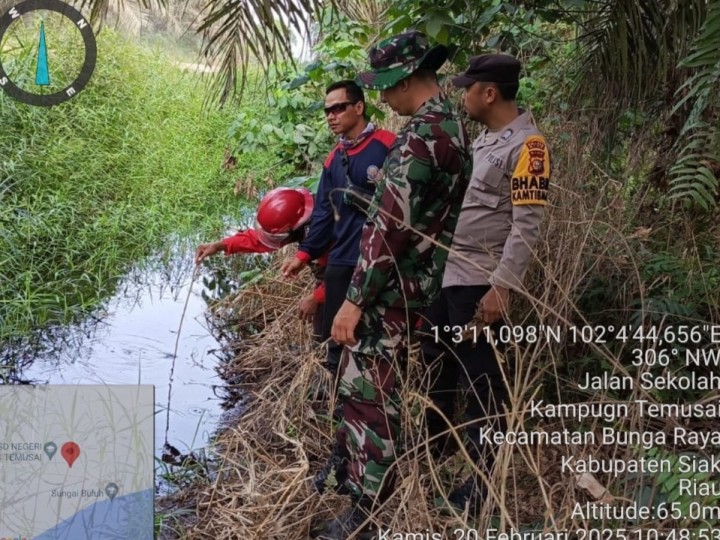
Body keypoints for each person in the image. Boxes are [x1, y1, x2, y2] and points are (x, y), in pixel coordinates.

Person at [312, 31, 471, 539]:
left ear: (406, 79)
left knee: (371, 400)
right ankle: (355, 482)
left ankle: (367, 511)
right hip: (415, 287)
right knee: (374, 393)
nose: (381, 98)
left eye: (384, 87)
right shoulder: (451, 126)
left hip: (390, 295)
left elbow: (389, 228)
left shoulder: (423, 135)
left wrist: (354, 302)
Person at [419, 54, 551, 516]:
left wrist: (503, 287)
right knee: (434, 350)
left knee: (483, 385)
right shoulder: (487, 139)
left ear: (489, 93)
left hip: (481, 282)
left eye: (468, 88)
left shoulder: (529, 147)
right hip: (455, 275)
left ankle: (482, 483)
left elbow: (526, 226)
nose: (463, 96)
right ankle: (437, 449)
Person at [280, 80, 395, 376]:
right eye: (327, 110)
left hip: (380, 259)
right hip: (342, 260)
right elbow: (322, 214)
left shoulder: (388, 145)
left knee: (377, 339)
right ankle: (337, 406)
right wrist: (303, 255)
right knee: (335, 341)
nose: (331, 116)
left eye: (338, 108)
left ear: (359, 107)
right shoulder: (334, 158)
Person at [195, 187, 326, 335]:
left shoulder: (329, 232)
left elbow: (348, 271)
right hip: (335, 279)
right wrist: (219, 246)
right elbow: (259, 240)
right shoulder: (304, 218)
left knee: (330, 330)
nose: (275, 241)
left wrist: (317, 297)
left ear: (294, 228)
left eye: (278, 236)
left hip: (349, 288)